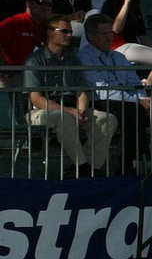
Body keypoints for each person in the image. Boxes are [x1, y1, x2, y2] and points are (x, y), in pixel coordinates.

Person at [78, 12, 152, 172]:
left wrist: (143, 99)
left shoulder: (119, 57)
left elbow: (133, 81)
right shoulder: (83, 58)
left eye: (110, 33)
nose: (109, 38)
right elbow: (102, 89)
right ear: (91, 36)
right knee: (131, 110)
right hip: (102, 100)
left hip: (128, 99)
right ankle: (125, 163)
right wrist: (137, 101)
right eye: (104, 34)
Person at [25, 14, 118, 175]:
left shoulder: (72, 60)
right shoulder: (35, 60)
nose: (69, 35)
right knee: (63, 117)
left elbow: (81, 92)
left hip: (70, 108)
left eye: (70, 32)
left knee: (108, 119)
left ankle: (92, 167)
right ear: (50, 33)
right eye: (64, 31)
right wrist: (70, 111)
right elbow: (36, 99)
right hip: (41, 111)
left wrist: (80, 111)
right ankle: (82, 167)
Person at [1, 0, 55, 72]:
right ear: (28, 4)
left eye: (48, 4)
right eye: (39, 2)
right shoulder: (15, 22)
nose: (44, 7)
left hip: (41, 74)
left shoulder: (51, 27)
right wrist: (4, 69)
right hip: (15, 74)